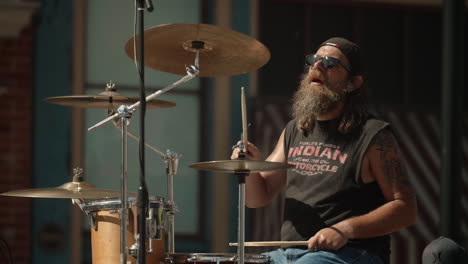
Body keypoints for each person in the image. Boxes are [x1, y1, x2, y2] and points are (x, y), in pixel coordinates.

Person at [231, 37, 417, 264]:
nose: (317, 67)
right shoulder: (296, 129)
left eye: (330, 63)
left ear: (353, 82)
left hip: (350, 254)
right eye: (313, 60)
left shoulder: (373, 134)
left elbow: (405, 209)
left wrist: (345, 230)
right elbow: (258, 197)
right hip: (288, 255)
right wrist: (247, 168)